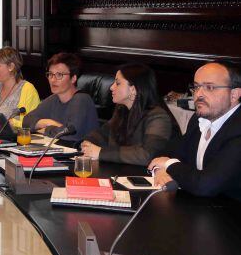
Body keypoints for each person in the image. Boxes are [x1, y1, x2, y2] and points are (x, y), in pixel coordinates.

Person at [149, 62, 241, 200]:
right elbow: (163, 153)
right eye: (197, 87)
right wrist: (159, 170)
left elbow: (205, 185)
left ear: (234, 95)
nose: (199, 94)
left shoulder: (237, 129)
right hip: (204, 209)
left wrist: (168, 165)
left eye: (209, 87)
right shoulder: (199, 120)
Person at [80, 63, 176, 166]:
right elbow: (102, 134)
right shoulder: (122, 109)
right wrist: (88, 143)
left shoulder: (158, 117)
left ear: (133, 89)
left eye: (117, 83)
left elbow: (148, 155)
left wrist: (100, 152)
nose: (111, 87)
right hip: (122, 172)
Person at [22, 53, 98, 143]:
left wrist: (46, 130)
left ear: (73, 78)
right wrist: (47, 122)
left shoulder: (82, 99)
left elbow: (70, 134)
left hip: (81, 154)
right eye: (50, 74)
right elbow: (26, 122)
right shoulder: (53, 99)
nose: (53, 80)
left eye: (59, 75)